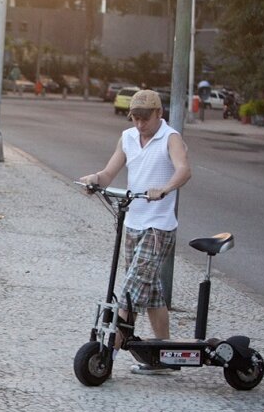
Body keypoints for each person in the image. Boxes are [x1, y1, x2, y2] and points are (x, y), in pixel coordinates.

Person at [78, 89, 192, 375]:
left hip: (158, 228)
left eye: (145, 118)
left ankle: (105, 358)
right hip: (132, 224)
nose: (140, 124)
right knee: (150, 293)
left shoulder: (170, 137)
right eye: (135, 118)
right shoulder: (127, 137)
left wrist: (164, 188)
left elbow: (184, 170)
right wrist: (95, 180)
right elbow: (108, 173)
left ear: (159, 114)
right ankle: (164, 357)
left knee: (130, 293)